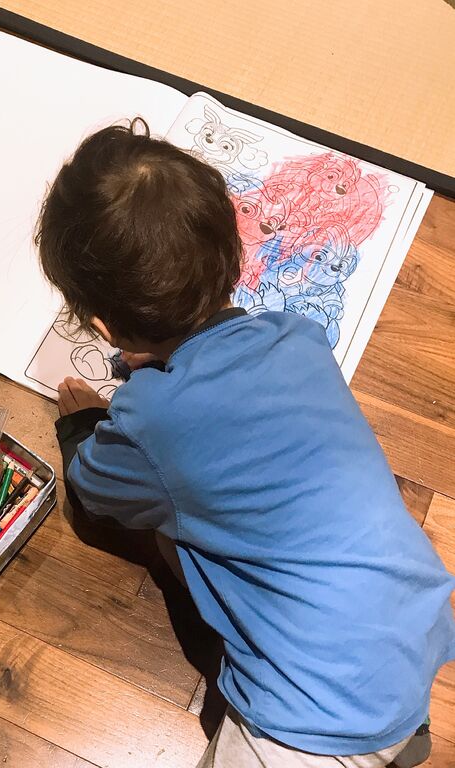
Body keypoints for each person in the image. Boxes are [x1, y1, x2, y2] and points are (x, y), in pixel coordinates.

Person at [36, 118, 455, 768]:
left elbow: (93, 491)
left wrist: (82, 425)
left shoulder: (148, 420)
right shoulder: (296, 336)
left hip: (312, 708)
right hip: (411, 621)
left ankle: (375, 743)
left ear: (103, 326)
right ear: (233, 257)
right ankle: (396, 735)